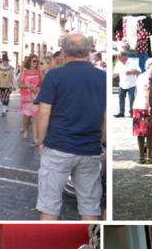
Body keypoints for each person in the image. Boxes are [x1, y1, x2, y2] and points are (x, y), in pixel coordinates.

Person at [34, 32, 105, 221]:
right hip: (90, 149)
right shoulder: (102, 77)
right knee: (90, 206)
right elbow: (105, 117)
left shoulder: (55, 76)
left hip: (58, 146)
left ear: (64, 52)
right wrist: (101, 142)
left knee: (49, 205)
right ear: (89, 50)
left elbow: (43, 113)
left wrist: (40, 141)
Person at [132, 57, 152, 164]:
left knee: (140, 133)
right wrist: (150, 106)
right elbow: (148, 91)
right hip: (146, 105)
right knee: (150, 132)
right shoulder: (151, 76)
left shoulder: (140, 76)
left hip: (137, 105)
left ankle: (141, 157)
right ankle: (149, 156)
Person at [18, 54, 43, 140]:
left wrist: (38, 88)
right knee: (27, 116)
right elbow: (20, 84)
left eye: (37, 61)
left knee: (35, 116)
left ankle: (36, 137)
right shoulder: (24, 72)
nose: (36, 63)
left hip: (36, 96)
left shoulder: (39, 72)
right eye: (34, 61)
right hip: (26, 96)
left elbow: (43, 83)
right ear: (29, 62)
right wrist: (28, 86)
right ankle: (25, 130)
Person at [113, 52, 140, 118]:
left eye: (119, 57)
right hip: (122, 84)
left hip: (132, 84)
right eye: (118, 57)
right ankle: (121, 112)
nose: (118, 59)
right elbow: (115, 73)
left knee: (131, 99)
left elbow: (139, 72)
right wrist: (113, 76)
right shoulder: (118, 63)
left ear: (124, 56)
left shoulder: (133, 62)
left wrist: (131, 72)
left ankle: (131, 113)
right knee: (121, 98)